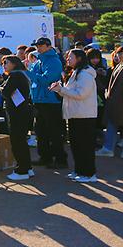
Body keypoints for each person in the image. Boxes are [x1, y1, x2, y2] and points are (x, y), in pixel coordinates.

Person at [49, 49, 97, 183]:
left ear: (80, 58)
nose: (67, 59)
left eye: (71, 57)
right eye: (67, 57)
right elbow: (71, 93)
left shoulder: (85, 74)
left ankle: (89, 173)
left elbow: (81, 94)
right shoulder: (76, 72)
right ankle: (79, 170)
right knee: (76, 145)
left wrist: (61, 89)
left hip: (84, 115)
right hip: (75, 114)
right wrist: (60, 90)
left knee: (84, 146)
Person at [29, 37, 66, 169]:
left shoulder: (53, 61)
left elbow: (47, 80)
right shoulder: (40, 60)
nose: (38, 47)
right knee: (41, 131)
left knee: (54, 131)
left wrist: (30, 73)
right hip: (40, 100)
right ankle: (45, 157)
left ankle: (60, 159)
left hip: (50, 101)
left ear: (48, 46)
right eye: (37, 45)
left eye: (40, 45)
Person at [0, 55, 34, 180]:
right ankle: (27, 168)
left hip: (16, 113)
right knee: (22, 141)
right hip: (23, 111)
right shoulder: (22, 74)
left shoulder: (15, 76)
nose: (4, 65)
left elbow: (5, 92)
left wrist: (1, 88)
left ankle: (22, 170)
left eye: (6, 62)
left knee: (17, 141)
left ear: (14, 63)